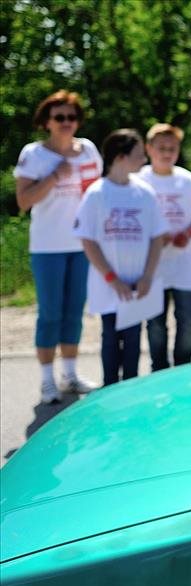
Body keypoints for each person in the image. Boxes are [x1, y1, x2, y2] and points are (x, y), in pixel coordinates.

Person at [14, 90, 101, 403]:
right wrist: (53, 177)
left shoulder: (88, 150)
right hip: (48, 246)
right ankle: (47, 381)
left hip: (82, 245)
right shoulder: (34, 154)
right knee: (50, 314)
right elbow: (23, 201)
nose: (66, 123)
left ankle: (71, 374)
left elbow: (97, 196)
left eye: (71, 117)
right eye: (59, 117)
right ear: (47, 122)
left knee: (74, 312)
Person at [73, 129, 168, 385]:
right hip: (109, 285)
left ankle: (130, 392)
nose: (144, 160)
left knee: (134, 337)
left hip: (138, 284)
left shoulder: (145, 192)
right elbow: (88, 239)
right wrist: (112, 278)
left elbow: (157, 237)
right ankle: (109, 391)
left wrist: (147, 276)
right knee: (111, 337)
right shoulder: (96, 193)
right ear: (120, 157)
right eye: (138, 155)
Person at [137, 123, 191, 371]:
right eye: (161, 148)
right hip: (152, 264)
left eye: (172, 148)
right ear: (149, 149)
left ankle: (184, 369)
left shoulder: (188, 181)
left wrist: (188, 233)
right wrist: (155, 237)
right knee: (155, 322)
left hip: (185, 262)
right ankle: (158, 369)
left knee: (187, 320)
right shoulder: (139, 181)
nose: (167, 153)